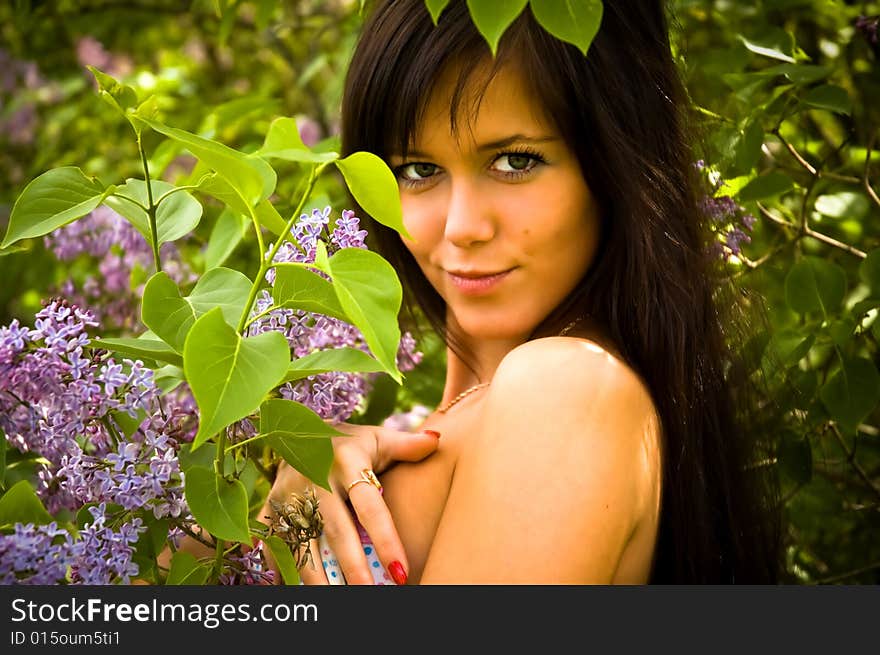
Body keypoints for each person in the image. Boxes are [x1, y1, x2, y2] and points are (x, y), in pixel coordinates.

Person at [261, 0, 782, 584]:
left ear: (614, 163)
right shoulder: (427, 429)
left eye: (515, 160)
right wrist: (300, 472)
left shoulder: (568, 384)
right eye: (417, 170)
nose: (461, 226)